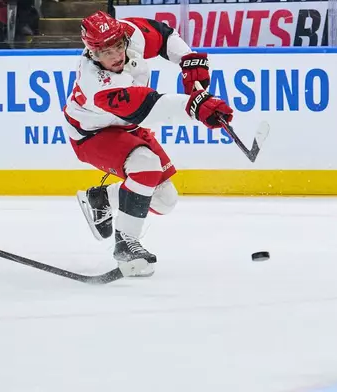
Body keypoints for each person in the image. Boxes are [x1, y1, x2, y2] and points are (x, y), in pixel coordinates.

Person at [64, 11, 233, 277]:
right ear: (92, 53)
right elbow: (149, 106)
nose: (117, 56)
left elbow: (165, 36)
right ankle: (126, 244)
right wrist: (195, 106)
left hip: (128, 127)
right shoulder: (97, 84)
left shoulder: (131, 34)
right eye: (107, 52)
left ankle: (101, 198)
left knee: (165, 200)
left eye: (119, 46)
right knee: (146, 164)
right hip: (92, 134)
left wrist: (188, 60)